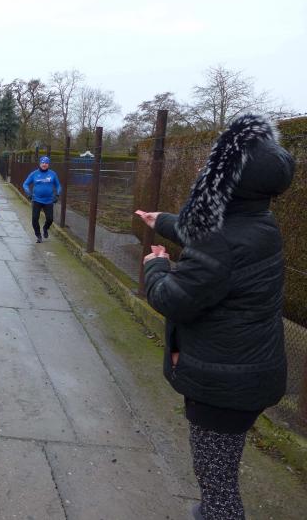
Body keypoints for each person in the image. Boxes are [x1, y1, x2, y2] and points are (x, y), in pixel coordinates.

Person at [136, 115, 294, 520]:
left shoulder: (220, 239)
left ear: (227, 180)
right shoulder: (260, 222)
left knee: (217, 486)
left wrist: (156, 266)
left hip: (223, 384)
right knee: (219, 474)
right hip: (251, 373)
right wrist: (163, 221)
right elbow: (215, 241)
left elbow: (173, 298)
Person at [22, 156, 62, 243]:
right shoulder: (34, 174)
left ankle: (45, 228)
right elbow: (25, 184)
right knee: (35, 219)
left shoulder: (53, 174)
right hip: (36, 200)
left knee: (50, 219)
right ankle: (38, 235)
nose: (44, 164)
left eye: (46, 163)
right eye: (43, 163)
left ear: (48, 164)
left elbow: (58, 185)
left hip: (48, 200)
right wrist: (28, 193)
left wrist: (57, 195)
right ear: (40, 163)